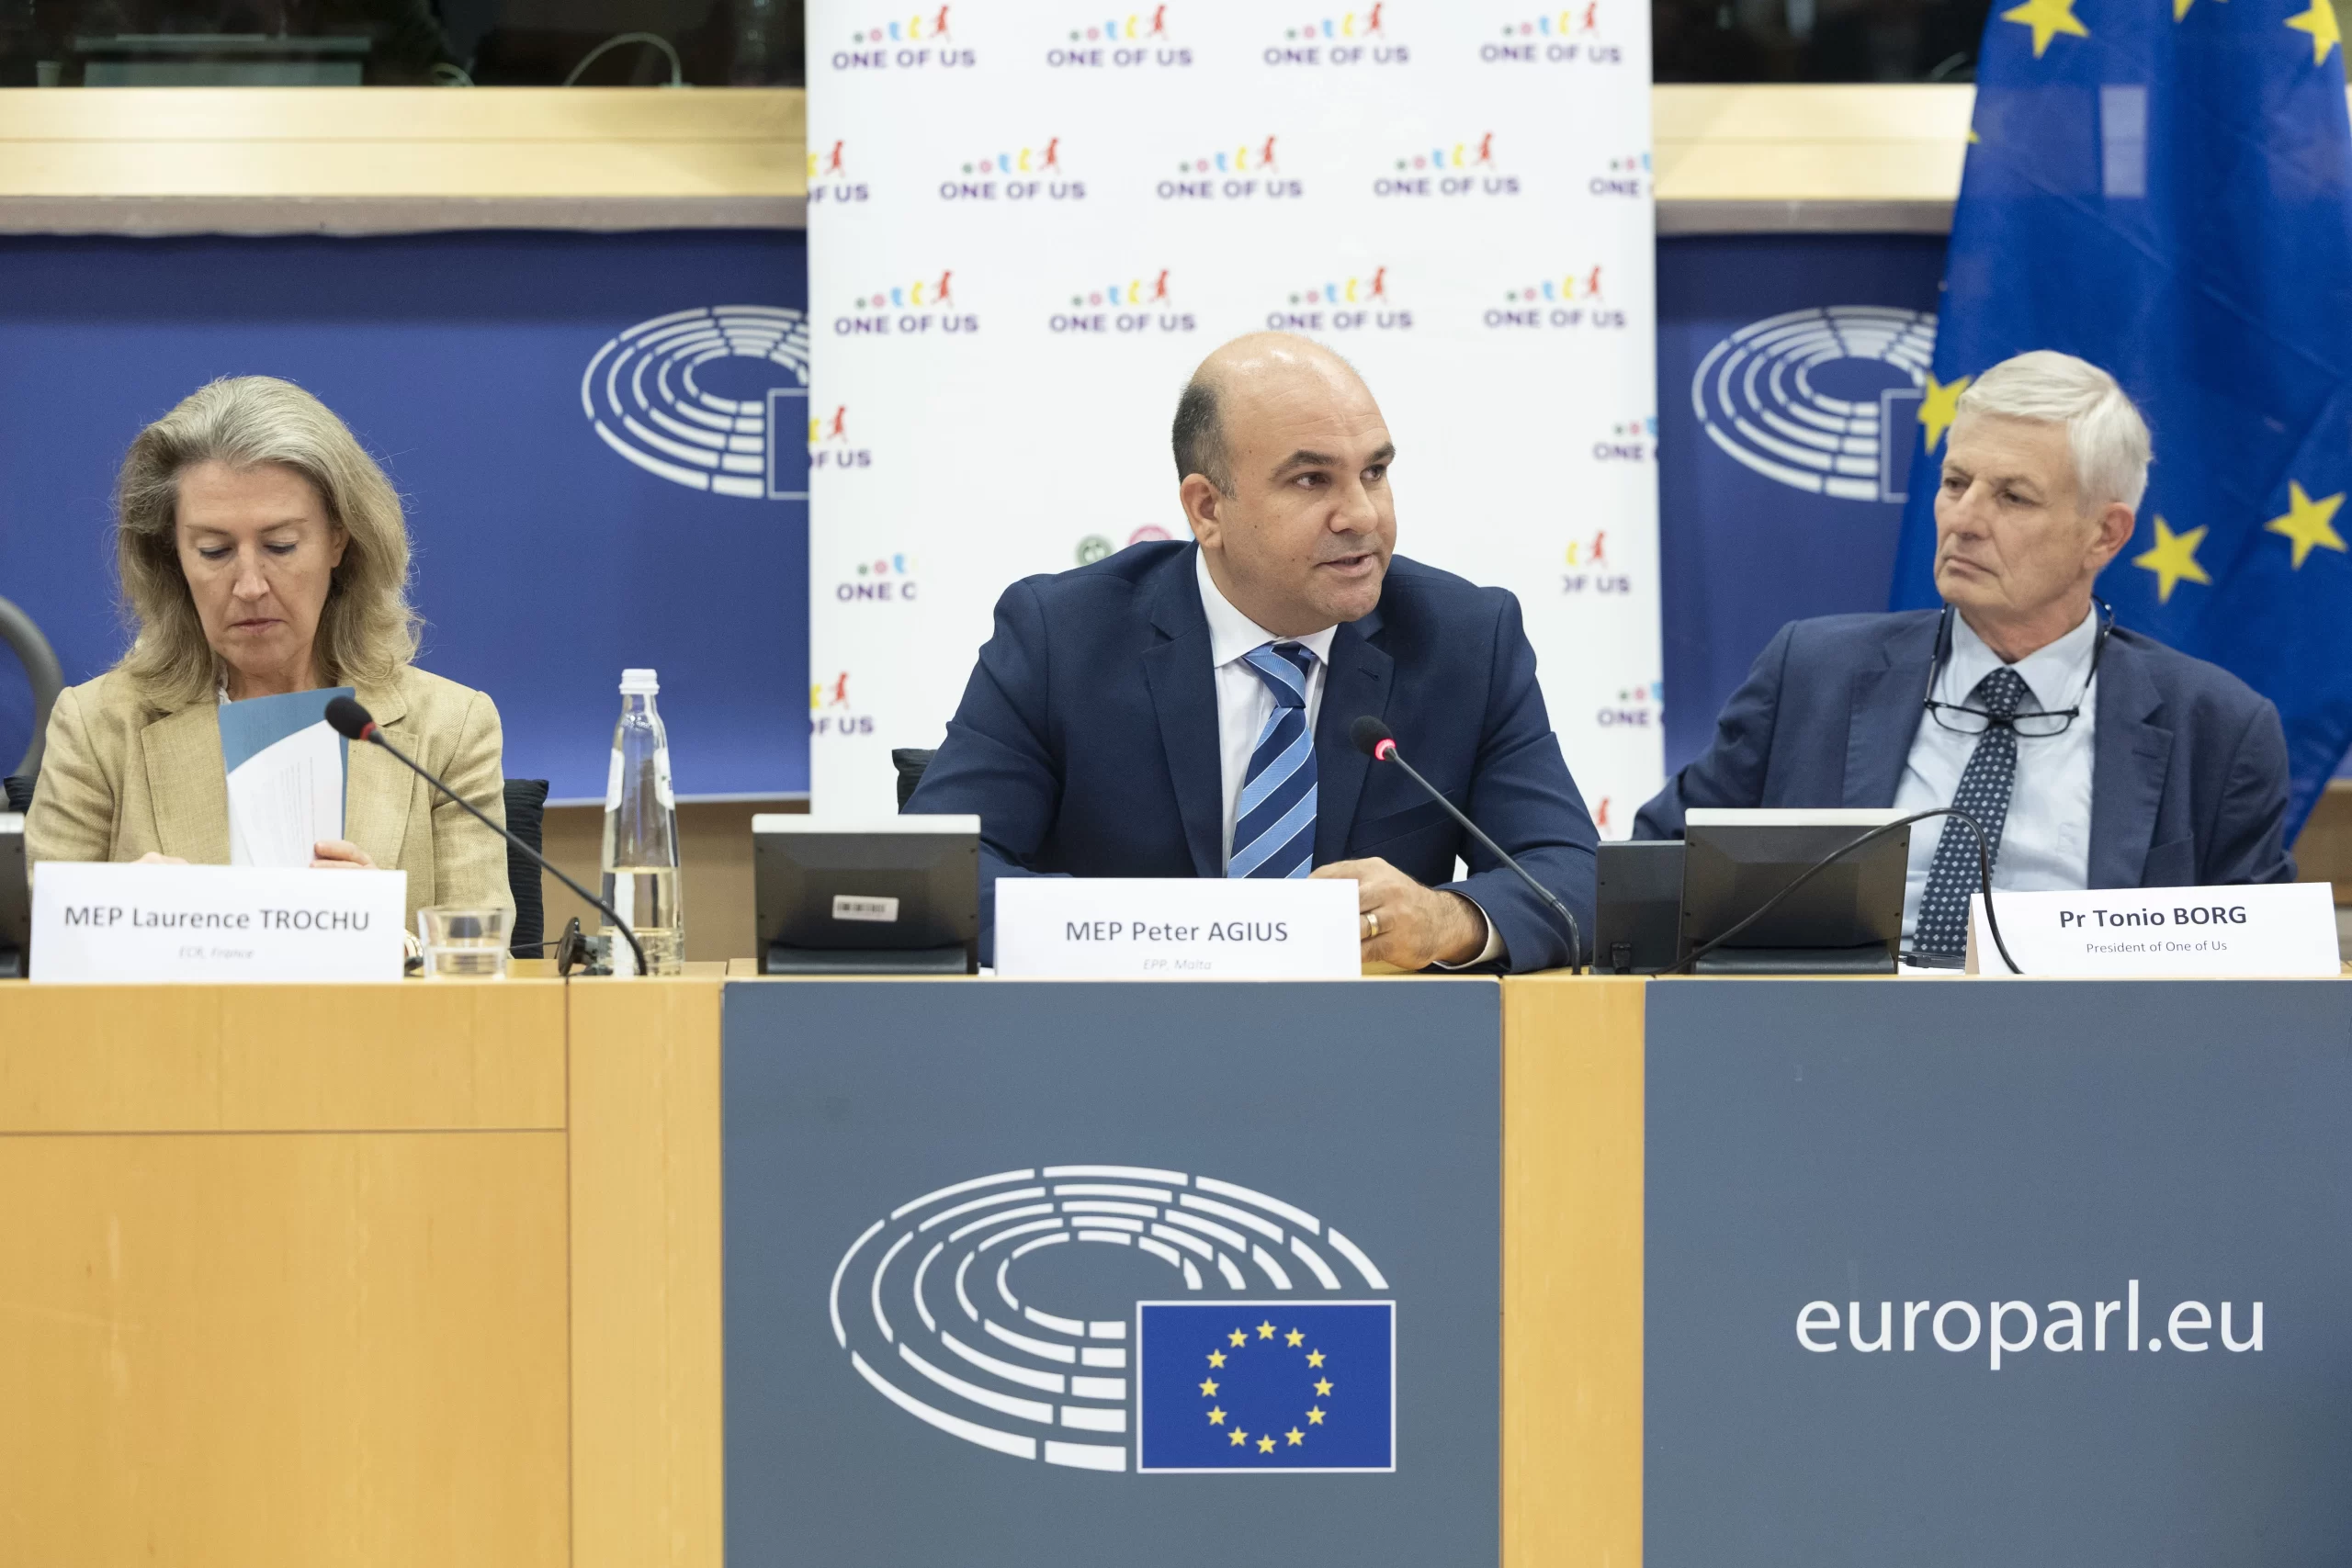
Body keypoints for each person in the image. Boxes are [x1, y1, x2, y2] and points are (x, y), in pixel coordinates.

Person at [906, 332, 1598, 972]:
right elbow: (940, 872)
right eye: (1311, 480)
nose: (1362, 514)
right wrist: (1150, 934)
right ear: (1207, 509)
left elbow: (1574, 875)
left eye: (1376, 472)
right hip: (1117, 1052)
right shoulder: (1062, 635)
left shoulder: (1466, 638)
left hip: (1371, 1061)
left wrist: (1450, 919)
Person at [1635, 350, 2292, 961]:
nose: (1965, 518)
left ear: (2104, 533)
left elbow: (2268, 972)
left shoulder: (2216, 729)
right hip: (1832, 1052)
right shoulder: (1810, 674)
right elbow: (1655, 880)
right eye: (1956, 482)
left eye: (2013, 496)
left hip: (2082, 1063)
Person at [27, 375, 511, 929]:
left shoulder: (450, 728)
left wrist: (390, 940)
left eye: (280, 546)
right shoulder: (97, 727)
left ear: (338, 538)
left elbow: (482, 955)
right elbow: (33, 947)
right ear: (173, 557)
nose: (250, 584)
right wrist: (114, 917)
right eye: (214, 551)